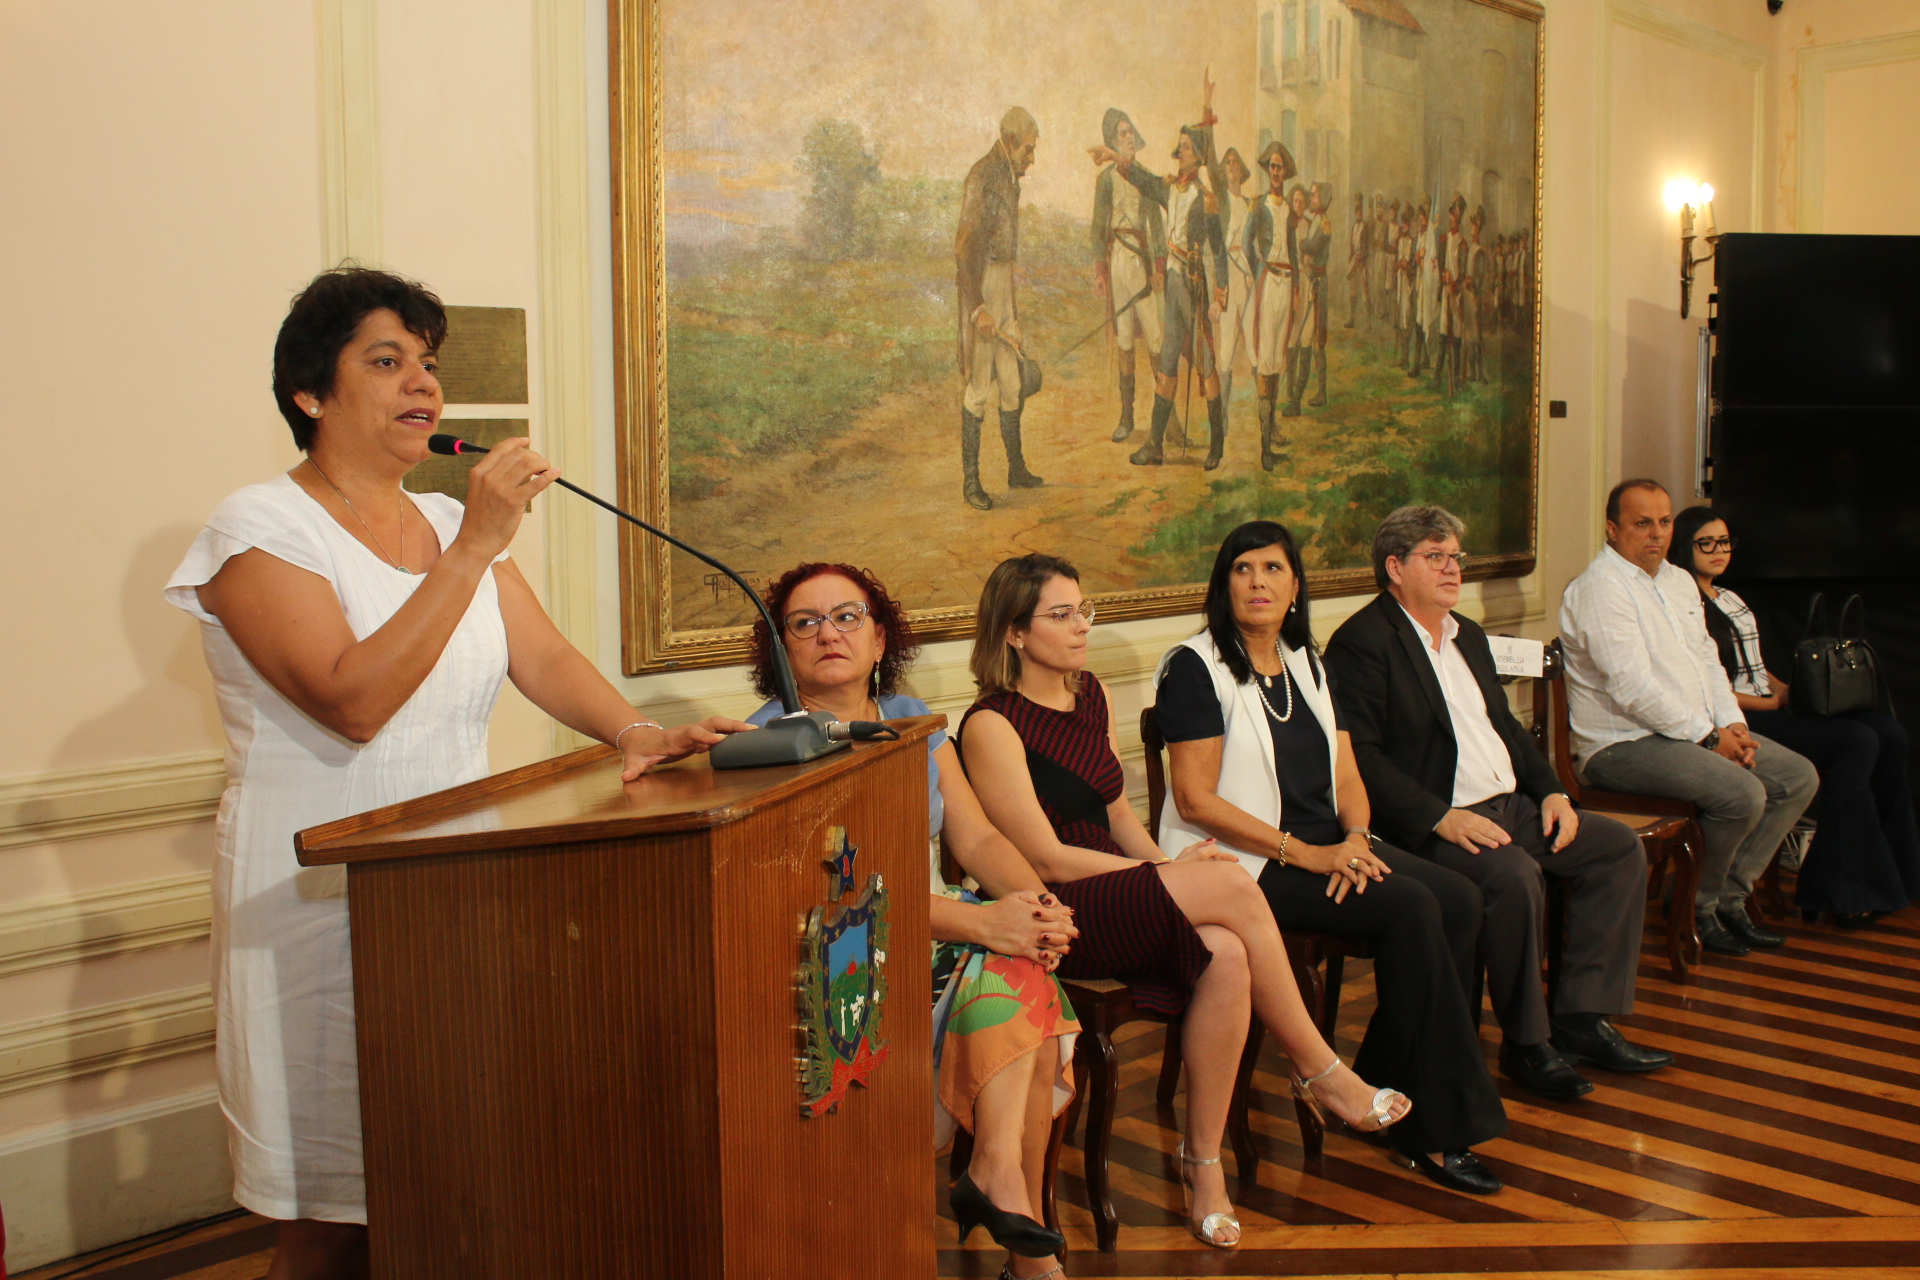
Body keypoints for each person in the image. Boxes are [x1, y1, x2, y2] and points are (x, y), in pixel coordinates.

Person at [163, 268, 752, 1279]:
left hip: (448, 896)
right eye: (385, 361)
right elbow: (354, 699)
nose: (421, 385)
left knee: (449, 1179)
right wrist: (477, 542)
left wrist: (629, 730)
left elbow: (547, 658)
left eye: (428, 364)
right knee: (333, 1221)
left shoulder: (442, 525)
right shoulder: (258, 527)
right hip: (311, 901)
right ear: (310, 392)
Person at [961, 554, 1410, 1249]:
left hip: (1120, 884)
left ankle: (1204, 1170)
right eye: (1062, 615)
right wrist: (1167, 877)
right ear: (1014, 633)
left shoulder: (1091, 694)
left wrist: (1166, 868)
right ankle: (1321, 1070)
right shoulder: (991, 723)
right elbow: (1043, 858)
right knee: (1229, 881)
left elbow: (1117, 816)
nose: (1081, 626)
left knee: (1228, 952)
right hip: (1059, 905)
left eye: (1085, 610)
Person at [742, 562, 1079, 1280]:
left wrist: (1038, 908)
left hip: (931, 928)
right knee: (1017, 979)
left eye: (846, 616)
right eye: (805, 623)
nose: (828, 633)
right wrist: (987, 924)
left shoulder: (909, 718)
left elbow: (980, 840)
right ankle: (1022, 1236)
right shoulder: (767, 742)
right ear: (781, 647)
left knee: (1023, 961)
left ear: (879, 635)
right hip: (832, 955)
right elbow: (826, 898)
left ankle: (997, 1178)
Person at [1156, 521, 1509, 1194]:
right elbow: (1195, 799)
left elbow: (1348, 773)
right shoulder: (1194, 667)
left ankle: (1385, 1075)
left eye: (1273, 569)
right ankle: (1435, 1126)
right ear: (1223, 583)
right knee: (1409, 906)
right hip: (1241, 863)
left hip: (1326, 845)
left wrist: (1353, 838)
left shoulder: (1307, 661)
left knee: (1461, 896)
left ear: (1295, 587)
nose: (1258, 582)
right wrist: (1310, 855)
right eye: (1242, 569)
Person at [1328, 506, 1672, 1102]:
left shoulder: (1470, 634)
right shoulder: (1363, 642)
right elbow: (1360, 758)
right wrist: (1439, 816)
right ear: (1394, 567)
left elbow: (1508, 731)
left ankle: (1581, 1020)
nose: (1453, 569)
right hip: (1430, 821)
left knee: (1613, 848)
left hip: (1509, 804)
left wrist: (1553, 792)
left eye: (1455, 556)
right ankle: (1527, 1044)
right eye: (1435, 557)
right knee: (1513, 877)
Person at [1560, 480, 1819, 958]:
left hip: (1688, 733)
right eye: (1642, 523)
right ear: (1613, 529)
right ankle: (1698, 907)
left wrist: (1731, 723)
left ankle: (1728, 899)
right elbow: (1633, 690)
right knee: (1742, 794)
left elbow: (1707, 661)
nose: (1656, 533)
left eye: (1664, 521)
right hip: (1621, 746)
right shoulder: (1600, 589)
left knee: (1798, 777)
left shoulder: (1677, 580)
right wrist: (1707, 737)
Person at [1671, 507, 1920, 927]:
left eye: (1726, 542)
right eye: (1706, 543)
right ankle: (1836, 888)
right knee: (1857, 741)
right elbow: (1705, 685)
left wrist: (1788, 690)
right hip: (1740, 718)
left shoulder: (1729, 596)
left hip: (1768, 703)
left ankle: (1892, 876)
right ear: (1685, 547)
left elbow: (1755, 666)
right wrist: (1770, 704)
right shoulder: (1683, 603)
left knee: (1890, 733)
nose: (1719, 551)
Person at [1090, 76, 1230, 470]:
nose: (1179, 153)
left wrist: (1221, 296)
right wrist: (1112, 155)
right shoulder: (1171, 189)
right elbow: (1142, 178)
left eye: (1186, 148)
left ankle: (1217, 445)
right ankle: (1155, 444)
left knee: (1205, 366)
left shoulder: (1208, 199)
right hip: (1171, 286)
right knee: (1168, 363)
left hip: (1194, 288)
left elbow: (1218, 252)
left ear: (1198, 156)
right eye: (1180, 147)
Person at [957, 106, 1043, 511]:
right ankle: (971, 483)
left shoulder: (1012, 179)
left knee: (1012, 383)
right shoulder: (982, 175)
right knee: (978, 389)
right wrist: (978, 309)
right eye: (1028, 149)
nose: (1031, 158)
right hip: (981, 291)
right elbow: (963, 249)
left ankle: (1016, 469)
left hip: (1003, 290)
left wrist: (1012, 313)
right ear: (1010, 143)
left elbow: (1006, 262)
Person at [1090, 107, 1165, 446]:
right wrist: (1100, 272)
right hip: (1117, 260)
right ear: (1112, 141)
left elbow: (1158, 227)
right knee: (1123, 341)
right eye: (1122, 133)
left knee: (1156, 339)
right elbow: (1097, 228)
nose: (1129, 137)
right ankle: (1127, 418)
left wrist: (1160, 268)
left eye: (1130, 131)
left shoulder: (1145, 176)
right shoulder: (1105, 180)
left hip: (1141, 262)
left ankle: (1167, 418)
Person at [1244, 140, 1300, 468]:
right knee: (1265, 361)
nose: (1276, 172)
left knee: (1279, 359)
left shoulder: (1289, 210)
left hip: (1288, 281)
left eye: (1281, 167)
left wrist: (1296, 290)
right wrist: (1258, 271)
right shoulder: (1258, 205)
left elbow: (1291, 247)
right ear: (1268, 171)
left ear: (1286, 172)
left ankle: (1272, 434)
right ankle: (1264, 448)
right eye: (1272, 166)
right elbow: (1245, 242)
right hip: (1267, 283)